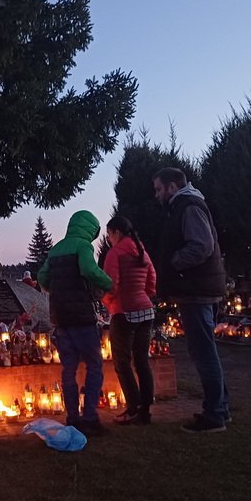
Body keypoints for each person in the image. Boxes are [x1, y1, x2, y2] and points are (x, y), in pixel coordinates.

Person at [153, 167, 230, 433]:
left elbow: (201, 245)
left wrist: (175, 263)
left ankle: (214, 415)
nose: (157, 195)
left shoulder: (189, 207)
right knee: (204, 349)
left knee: (203, 351)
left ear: (173, 186)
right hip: (197, 287)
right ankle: (222, 407)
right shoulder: (185, 206)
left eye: (159, 189)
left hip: (197, 289)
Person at [37, 210, 113, 436]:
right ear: (90, 229)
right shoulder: (83, 247)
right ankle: (90, 416)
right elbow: (89, 270)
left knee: (68, 368)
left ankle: (72, 417)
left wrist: (56, 290)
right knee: (94, 365)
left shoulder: (55, 249)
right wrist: (109, 284)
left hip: (60, 318)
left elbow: (42, 277)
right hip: (81, 316)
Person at [102, 216, 157, 425]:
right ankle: (146, 408)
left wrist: (108, 303)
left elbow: (110, 284)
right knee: (142, 361)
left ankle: (133, 407)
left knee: (122, 362)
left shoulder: (115, 253)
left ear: (116, 232)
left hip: (124, 312)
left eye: (109, 235)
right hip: (145, 311)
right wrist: (144, 295)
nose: (108, 239)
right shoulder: (141, 250)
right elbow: (152, 278)